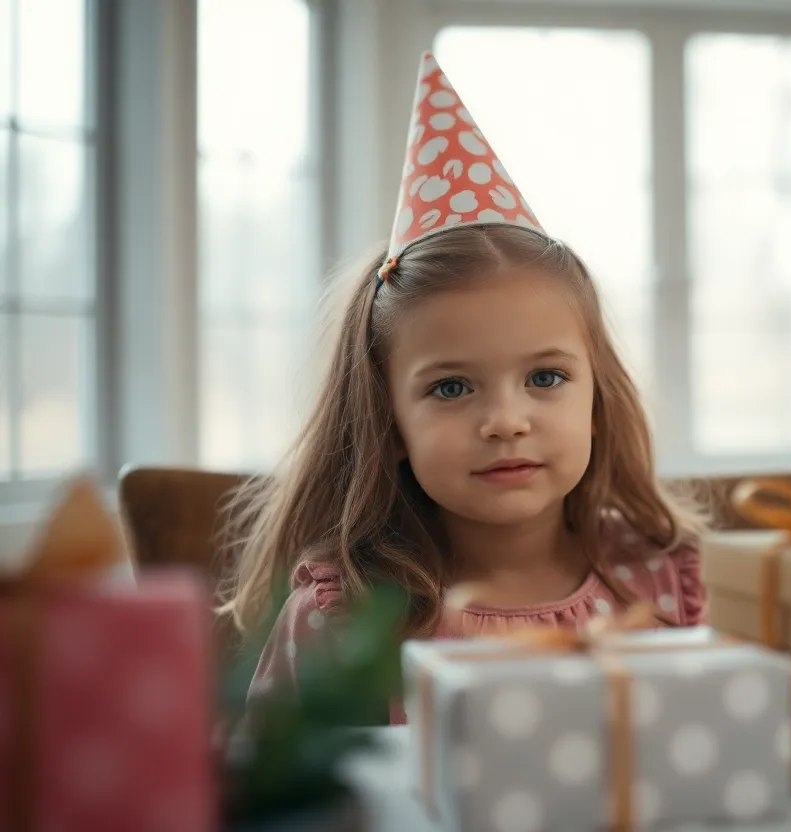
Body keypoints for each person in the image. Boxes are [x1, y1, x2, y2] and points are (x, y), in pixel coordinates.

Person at [219, 52, 706, 721]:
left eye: (546, 377)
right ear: (388, 422)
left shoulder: (672, 586)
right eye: (451, 389)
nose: (506, 420)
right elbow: (283, 802)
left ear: (598, 401)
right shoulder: (344, 623)